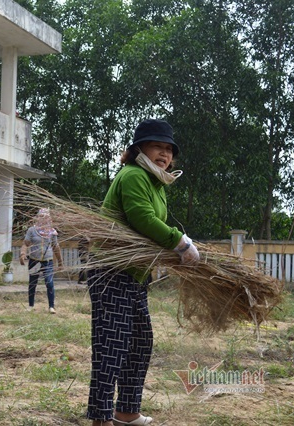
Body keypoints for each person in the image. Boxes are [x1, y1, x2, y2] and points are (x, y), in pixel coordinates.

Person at [86, 119, 199, 426]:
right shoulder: (134, 175)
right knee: (112, 344)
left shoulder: (155, 183)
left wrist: (175, 244)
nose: (164, 154)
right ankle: (101, 418)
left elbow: (152, 227)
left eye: (168, 149)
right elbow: (143, 220)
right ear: (140, 149)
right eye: (157, 146)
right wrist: (180, 242)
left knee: (139, 342)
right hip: (112, 271)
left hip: (134, 275)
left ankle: (126, 411)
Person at [19, 208, 63, 314]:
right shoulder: (32, 230)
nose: (44, 219)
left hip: (47, 261)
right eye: (41, 217)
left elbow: (56, 247)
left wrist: (60, 262)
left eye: (46, 217)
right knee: (33, 283)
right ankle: (31, 305)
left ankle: (51, 306)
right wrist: (22, 254)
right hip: (34, 260)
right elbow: (25, 244)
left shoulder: (52, 232)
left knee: (49, 282)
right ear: (37, 217)